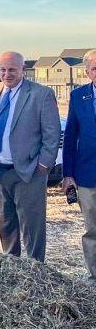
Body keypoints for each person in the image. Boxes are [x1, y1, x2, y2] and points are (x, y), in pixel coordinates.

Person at [0, 51, 60, 262]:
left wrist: (43, 165)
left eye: (12, 69)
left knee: (32, 228)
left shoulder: (41, 94)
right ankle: (10, 269)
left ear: (23, 69)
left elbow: (52, 134)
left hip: (28, 172)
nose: (6, 74)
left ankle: (35, 272)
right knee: (5, 226)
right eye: (2, 70)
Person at [62, 49, 96, 282]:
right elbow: (71, 136)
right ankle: (94, 276)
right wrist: (67, 175)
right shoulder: (78, 96)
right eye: (95, 68)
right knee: (92, 229)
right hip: (86, 174)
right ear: (87, 72)